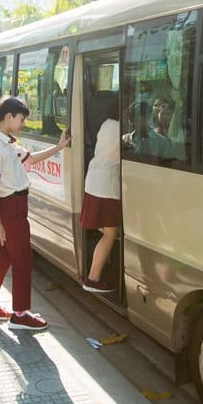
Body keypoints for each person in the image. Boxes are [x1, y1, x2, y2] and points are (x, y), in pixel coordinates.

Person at [0, 96, 70, 331]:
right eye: (21, 119)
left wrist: (59, 147)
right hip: (11, 208)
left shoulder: (7, 143)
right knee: (23, 260)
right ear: (9, 116)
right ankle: (20, 313)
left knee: (4, 257)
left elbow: (32, 159)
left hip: (15, 206)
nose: (23, 123)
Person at [81, 102, 120, 294]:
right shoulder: (120, 128)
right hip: (106, 186)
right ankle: (93, 278)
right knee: (110, 233)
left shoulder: (107, 124)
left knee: (106, 230)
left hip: (95, 181)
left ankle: (95, 275)